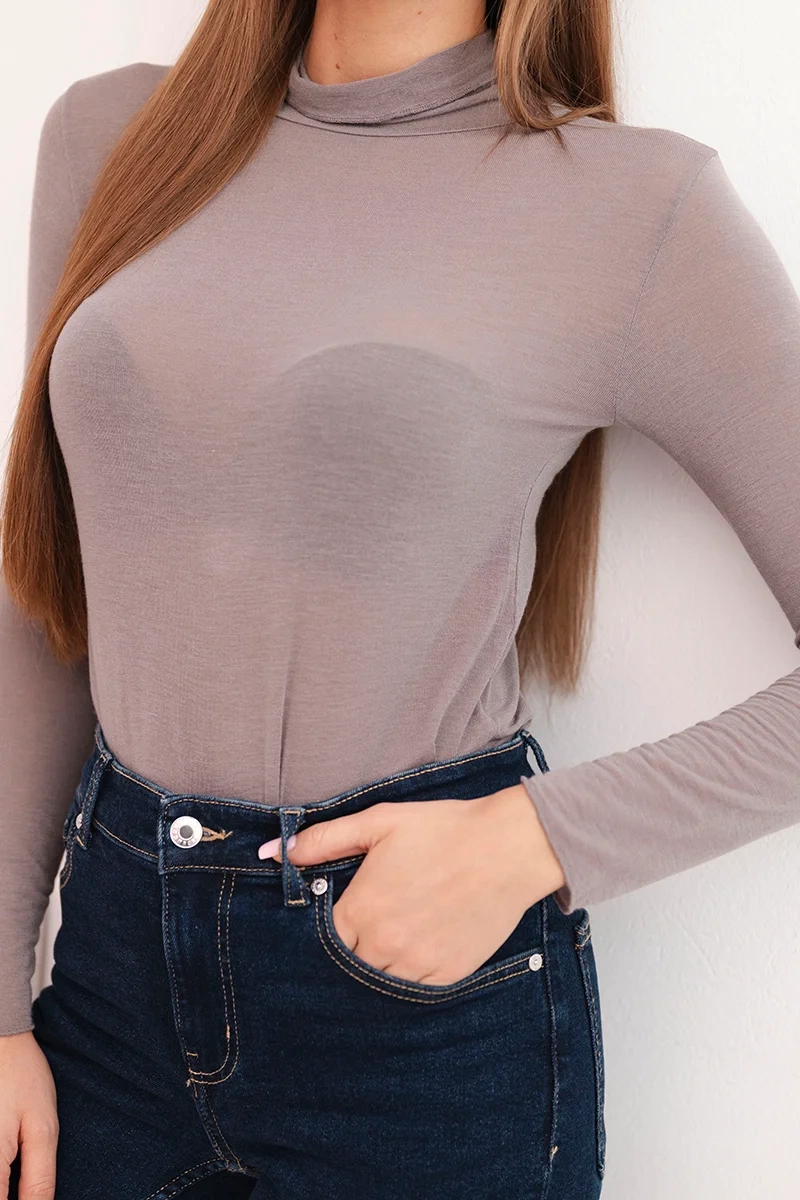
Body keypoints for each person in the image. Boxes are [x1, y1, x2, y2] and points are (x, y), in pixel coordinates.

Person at [2, 0, 799, 1195]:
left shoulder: (634, 208)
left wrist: (539, 837)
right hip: (108, 978)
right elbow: (49, 590)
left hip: (414, 1005)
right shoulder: (115, 135)